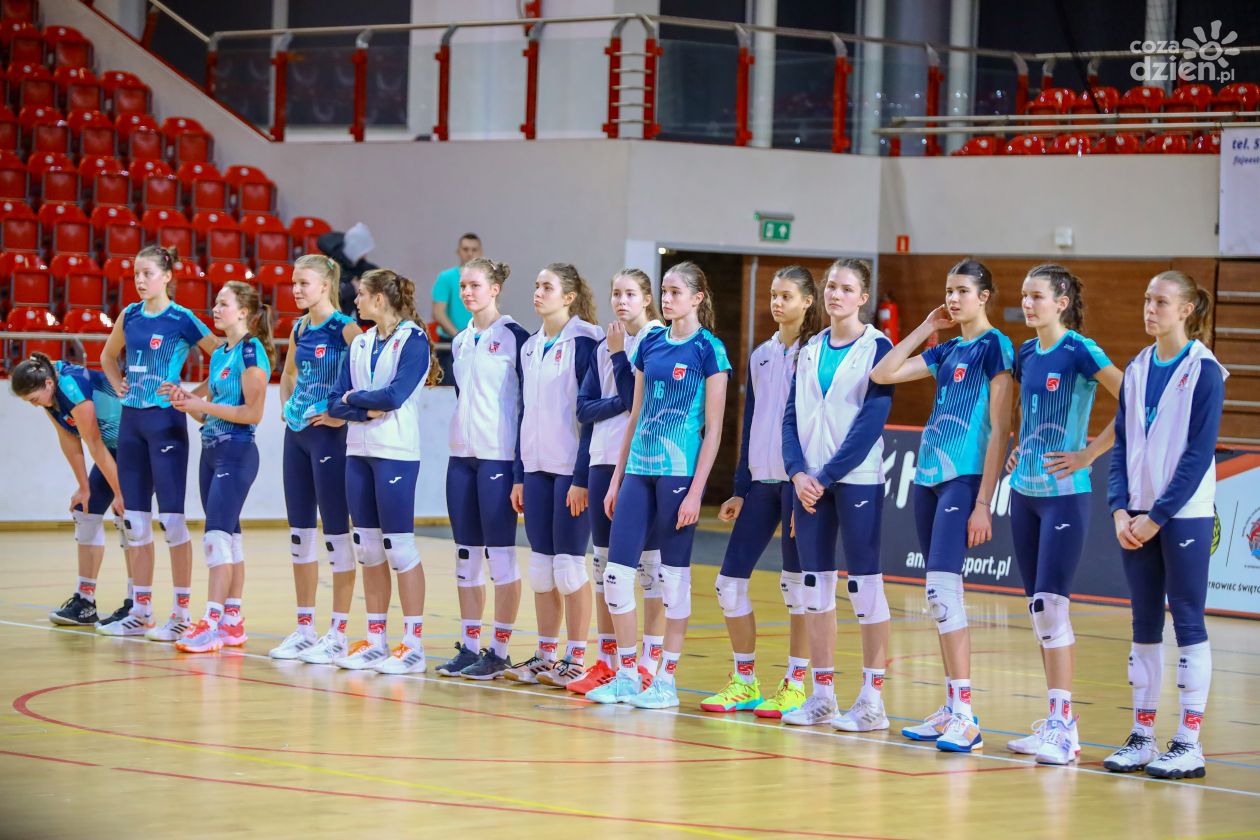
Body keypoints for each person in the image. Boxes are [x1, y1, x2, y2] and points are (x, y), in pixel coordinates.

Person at [870, 258, 1014, 753]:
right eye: (948, 291)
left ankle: (966, 716)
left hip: (964, 478)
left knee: (942, 589)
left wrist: (983, 502)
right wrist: (926, 326)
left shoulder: (996, 346)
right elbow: (884, 372)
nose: (952, 299)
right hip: (928, 475)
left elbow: (1001, 429)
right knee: (937, 596)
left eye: (962, 291)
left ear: (984, 296)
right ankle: (952, 707)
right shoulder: (948, 347)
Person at [587, 261, 731, 710]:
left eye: (674, 292)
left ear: (697, 298)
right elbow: (635, 414)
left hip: (678, 473)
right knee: (616, 574)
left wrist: (697, 492)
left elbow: (714, 429)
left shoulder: (710, 350)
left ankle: (666, 680)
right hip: (637, 470)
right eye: (664, 292)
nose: (666, 299)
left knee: (673, 580)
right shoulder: (650, 342)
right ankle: (627, 674)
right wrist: (616, 479)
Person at [1102, 271, 1225, 780]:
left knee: (1188, 619)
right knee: (1144, 623)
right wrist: (1119, 509)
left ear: (1187, 310)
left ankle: (1189, 743)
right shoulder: (1135, 367)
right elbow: (1122, 445)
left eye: (1161, 302)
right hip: (1136, 513)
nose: (1150, 309)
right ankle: (1142, 736)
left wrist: (1156, 517)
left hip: (1183, 514)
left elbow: (1198, 455)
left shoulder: (1205, 371)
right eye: (1147, 300)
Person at [1002, 265, 1122, 765]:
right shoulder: (1027, 352)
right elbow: (1027, 413)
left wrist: (1089, 453)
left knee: (1053, 606)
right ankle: (1054, 720)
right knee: (1039, 610)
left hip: (1065, 495)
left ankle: (1065, 726)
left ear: (1062, 301)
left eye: (1037, 296)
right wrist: (1018, 448)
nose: (1028, 304)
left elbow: (1134, 399)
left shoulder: (1080, 350)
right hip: (1023, 492)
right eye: (1024, 296)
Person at [700, 265, 821, 718]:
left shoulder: (817, 352)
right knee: (728, 584)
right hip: (759, 483)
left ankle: (796, 684)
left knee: (796, 588)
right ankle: (744, 680)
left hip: (796, 483)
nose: (777, 303)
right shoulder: (762, 355)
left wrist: (809, 485)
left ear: (808, 300)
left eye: (786, 296)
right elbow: (751, 420)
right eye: (773, 295)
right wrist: (739, 487)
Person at [781, 259, 895, 730]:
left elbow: (871, 423)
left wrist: (825, 476)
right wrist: (796, 473)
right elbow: (790, 415)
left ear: (863, 297)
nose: (836, 294)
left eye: (847, 288)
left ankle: (872, 700)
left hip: (855, 479)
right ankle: (823, 696)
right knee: (814, 588)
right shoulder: (809, 347)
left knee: (864, 588)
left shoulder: (877, 347)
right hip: (808, 483)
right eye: (831, 286)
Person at [97, 245, 219, 640]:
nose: (139, 280)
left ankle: (181, 613)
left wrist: (191, 397)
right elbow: (107, 356)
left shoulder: (181, 318)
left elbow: (224, 358)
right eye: (136, 273)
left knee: (172, 520)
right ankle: (141, 611)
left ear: (166, 276)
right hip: (131, 421)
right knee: (134, 522)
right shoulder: (129, 315)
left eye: (147, 273)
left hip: (165, 423)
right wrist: (117, 385)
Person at [328, 269, 440, 674]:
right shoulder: (359, 342)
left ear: (379, 299)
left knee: (399, 547)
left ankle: (413, 645)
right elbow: (333, 402)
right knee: (368, 549)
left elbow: (395, 396)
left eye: (361, 294)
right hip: (357, 452)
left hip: (395, 453)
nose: (355, 301)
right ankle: (376, 640)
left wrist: (353, 399)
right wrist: (362, 408)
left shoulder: (413, 340)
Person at [161, 281, 273, 652]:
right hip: (211, 451)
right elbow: (205, 411)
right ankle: (232, 621)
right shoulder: (221, 353)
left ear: (244, 311)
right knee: (230, 539)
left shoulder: (251, 350)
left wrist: (201, 405)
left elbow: (252, 413)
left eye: (224, 303)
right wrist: (185, 400)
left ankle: (209, 623)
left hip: (236, 452)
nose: (215, 308)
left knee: (215, 537)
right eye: (216, 303)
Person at [569, 269, 666, 694]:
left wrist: (617, 357)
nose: (621, 301)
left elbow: (635, 400)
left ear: (646, 298)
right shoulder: (606, 342)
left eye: (630, 294)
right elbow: (583, 409)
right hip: (601, 461)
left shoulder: (657, 341)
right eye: (616, 294)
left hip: (644, 465)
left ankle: (649, 660)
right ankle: (607, 659)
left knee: (649, 569)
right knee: (603, 565)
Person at [505, 264, 602, 687]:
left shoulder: (586, 342)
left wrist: (582, 477)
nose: (538, 292)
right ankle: (546, 656)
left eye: (548, 287)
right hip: (536, 469)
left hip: (570, 471)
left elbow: (590, 417)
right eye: (536, 285)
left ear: (569, 297)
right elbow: (524, 413)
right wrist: (519, 474)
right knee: (542, 569)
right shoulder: (529, 346)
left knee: (569, 568)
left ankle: (576, 657)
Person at [433, 258, 530, 681]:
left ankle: (500, 651)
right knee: (466, 557)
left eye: (475, 285)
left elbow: (527, 406)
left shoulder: (515, 338)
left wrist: (520, 470)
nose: (467, 293)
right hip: (461, 458)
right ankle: (470, 646)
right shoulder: (460, 340)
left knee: (501, 559)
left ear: (495, 289)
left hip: (498, 457)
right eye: (463, 286)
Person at [268, 255, 363, 663]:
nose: (296, 289)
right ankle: (305, 628)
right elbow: (288, 373)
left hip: (330, 440)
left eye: (303, 283)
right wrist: (287, 406)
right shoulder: (299, 328)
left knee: (337, 535)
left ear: (325, 285)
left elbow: (367, 379)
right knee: (300, 533)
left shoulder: (346, 329)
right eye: (294, 282)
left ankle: (337, 633)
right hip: (297, 437)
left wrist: (341, 415)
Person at [10, 353, 134, 627]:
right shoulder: (49, 391)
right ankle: (85, 602)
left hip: (134, 447)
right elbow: (68, 438)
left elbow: (94, 443)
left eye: (34, 399)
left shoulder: (71, 385)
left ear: (47, 383)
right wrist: (84, 487)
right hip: (111, 450)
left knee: (128, 517)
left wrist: (120, 492)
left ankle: (137, 603)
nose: (34, 405)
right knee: (84, 510)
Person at [432, 233, 483, 384]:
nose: (470, 253)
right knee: (449, 391)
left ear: (480, 252)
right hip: (450, 344)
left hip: (479, 343)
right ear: (458, 251)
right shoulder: (446, 277)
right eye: (466, 249)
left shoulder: (487, 280)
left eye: (474, 249)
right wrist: (460, 337)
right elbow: (438, 313)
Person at [317, 223, 378, 319]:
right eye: (362, 252)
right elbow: (323, 294)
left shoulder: (362, 267)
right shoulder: (329, 265)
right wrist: (351, 288)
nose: (365, 256)